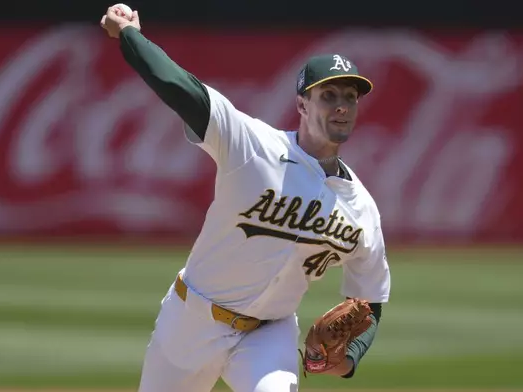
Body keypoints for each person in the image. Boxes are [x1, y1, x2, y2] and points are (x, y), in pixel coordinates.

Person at [100, 6, 391, 392]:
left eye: (350, 97)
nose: (341, 105)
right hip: (192, 321)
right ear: (302, 104)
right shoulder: (253, 146)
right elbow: (180, 87)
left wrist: (349, 359)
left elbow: (370, 297)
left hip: (269, 335)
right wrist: (130, 36)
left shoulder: (362, 209)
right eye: (329, 94)